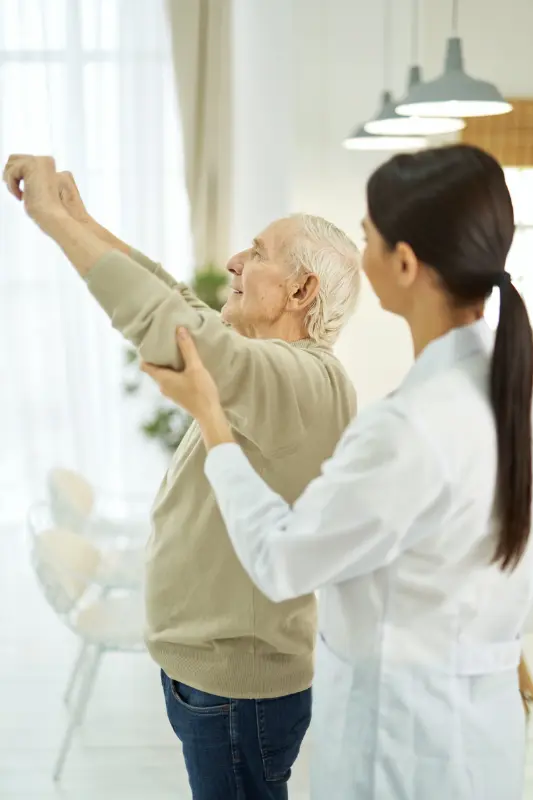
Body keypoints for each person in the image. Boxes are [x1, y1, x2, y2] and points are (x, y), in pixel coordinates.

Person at [138, 144, 533, 800]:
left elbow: (283, 561)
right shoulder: (500, 392)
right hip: (474, 734)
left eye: (366, 236)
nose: (360, 254)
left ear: (402, 264)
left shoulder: (408, 426)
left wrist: (211, 417)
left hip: (406, 750)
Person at [2, 155, 361, 799]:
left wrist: (54, 221)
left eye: (258, 253)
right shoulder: (265, 366)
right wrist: (83, 221)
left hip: (235, 691)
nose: (234, 261)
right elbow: (182, 302)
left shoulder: (303, 380)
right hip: (212, 681)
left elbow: (176, 326)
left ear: (302, 290)